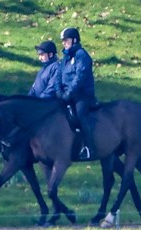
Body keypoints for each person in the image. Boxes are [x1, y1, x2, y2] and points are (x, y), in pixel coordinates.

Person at [55, 27, 97, 160]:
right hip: (67, 94)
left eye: (66, 40)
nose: (64, 43)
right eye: (63, 41)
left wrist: (68, 93)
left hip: (83, 96)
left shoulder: (82, 56)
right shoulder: (65, 58)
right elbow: (59, 76)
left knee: (80, 115)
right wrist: (59, 92)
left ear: (74, 40)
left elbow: (79, 78)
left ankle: (88, 147)